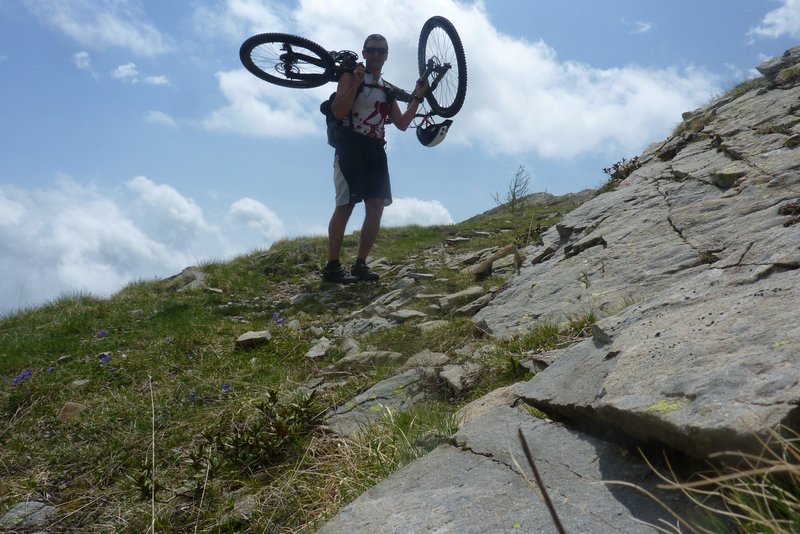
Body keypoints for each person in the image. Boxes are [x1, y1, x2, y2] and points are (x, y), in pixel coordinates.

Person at [322, 33, 428, 283]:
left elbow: (401, 124)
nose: (377, 55)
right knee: (345, 205)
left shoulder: (386, 90)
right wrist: (356, 84)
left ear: (387, 55)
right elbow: (339, 111)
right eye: (372, 50)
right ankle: (332, 266)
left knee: (376, 205)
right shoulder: (350, 76)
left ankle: (360, 264)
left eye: (381, 51)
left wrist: (418, 96)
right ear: (364, 52)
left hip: (375, 150)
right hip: (350, 146)